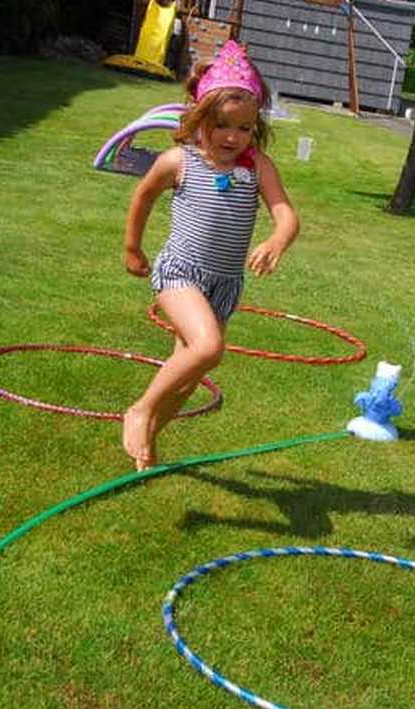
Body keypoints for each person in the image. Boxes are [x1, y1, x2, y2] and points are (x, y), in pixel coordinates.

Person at [122, 40, 300, 470]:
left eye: (243, 128)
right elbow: (143, 197)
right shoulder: (179, 161)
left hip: (223, 286)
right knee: (208, 347)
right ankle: (140, 410)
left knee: (184, 379)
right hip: (179, 273)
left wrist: (278, 240)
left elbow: (286, 214)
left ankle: (148, 447)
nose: (232, 137)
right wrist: (133, 247)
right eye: (222, 125)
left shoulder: (258, 168)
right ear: (200, 118)